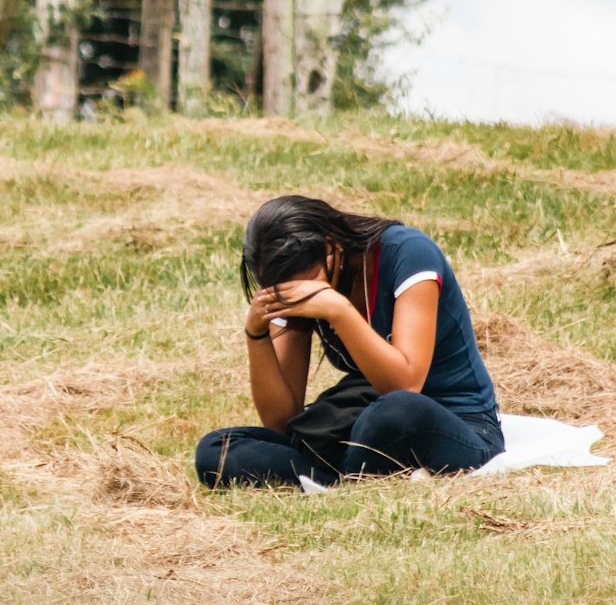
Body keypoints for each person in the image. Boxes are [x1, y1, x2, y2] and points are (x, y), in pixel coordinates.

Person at [195, 195, 503, 488]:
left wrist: (338, 311)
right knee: (215, 450)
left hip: (456, 421)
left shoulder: (409, 253)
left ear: (331, 248)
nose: (296, 295)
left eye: (302, 284)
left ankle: (325, 478)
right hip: (359, 425)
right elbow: (281, 420)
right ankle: (334, 480)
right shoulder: (291, 279)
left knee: (396, 411)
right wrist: (257, 334)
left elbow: (407, 384)